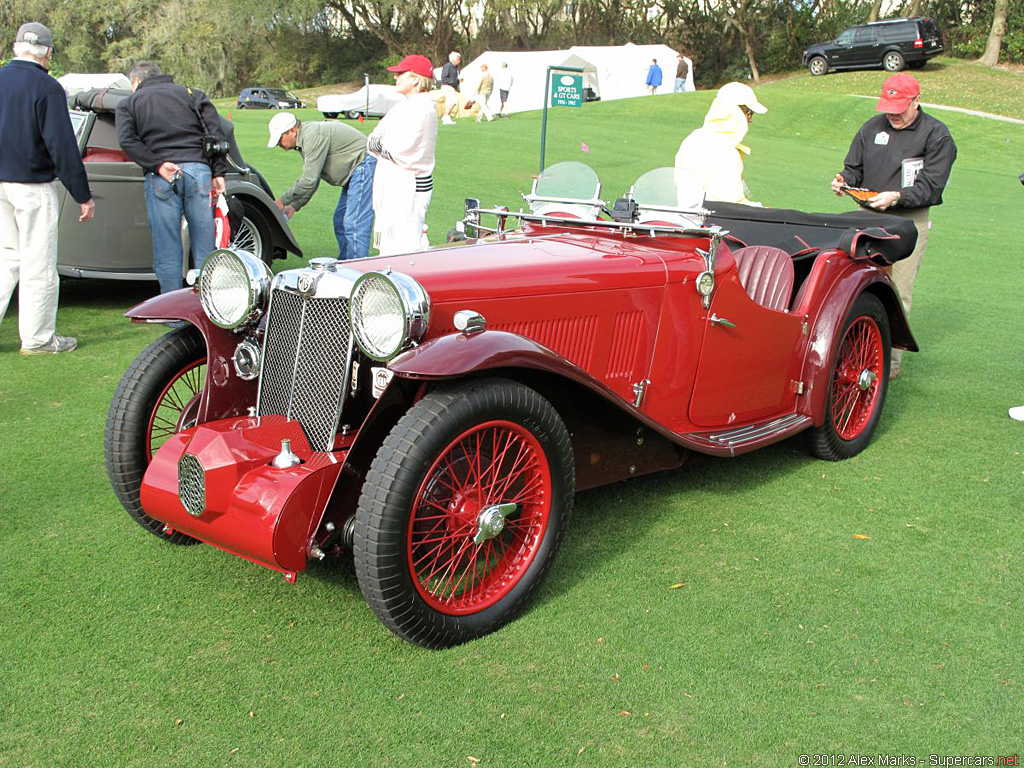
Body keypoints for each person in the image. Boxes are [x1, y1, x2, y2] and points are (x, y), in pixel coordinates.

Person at [830, 73, 957, 379]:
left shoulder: (937, 135)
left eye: (900, 106)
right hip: (866, 217)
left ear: (917, 100)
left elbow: (931, 188)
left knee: (897, 292)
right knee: (852, 283)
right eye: (888, 106)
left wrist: (896, 197)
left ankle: (888, 363)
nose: (893, 113)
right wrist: (844, 181)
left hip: (907, 221)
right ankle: (849, 350)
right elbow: (854, 168)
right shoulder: (872, 127)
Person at [0, 22, 94, 355]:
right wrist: (82, 194)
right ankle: (38, 339)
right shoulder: (48, 87)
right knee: (38, 263)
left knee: (5, 259)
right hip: (32, 184)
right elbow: (62, 145)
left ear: (15, 48)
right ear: (48, 53)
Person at [116, 61, 228, 295]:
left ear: (136, 81)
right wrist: (219, 172)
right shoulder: (192, 94)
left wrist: (156, 164)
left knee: (168, 247)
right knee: (205, 246)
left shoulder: (129, 103)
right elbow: (216, 134)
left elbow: (127, 140)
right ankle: (211, 306)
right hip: (200, 171)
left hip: (162, 175)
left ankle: (172, 312)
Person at [267, 113, 376, 260]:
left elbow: (309, 180)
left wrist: (282, 202)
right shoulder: (305, 138)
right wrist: (294, 206)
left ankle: (357, 271)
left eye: (280, 139)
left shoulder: (312, 136)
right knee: (340, 220)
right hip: (355, 172)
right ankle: (347, 264)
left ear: (292, 131)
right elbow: (313, 179)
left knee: (354, 224)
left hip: (363, 166)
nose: (279, 144)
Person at [367, 55, 438, 256]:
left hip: (409, 186)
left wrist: (382, 144)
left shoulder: (422, 109)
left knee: (404, 247)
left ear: (415, 79)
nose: (395, 77)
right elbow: (371, 140)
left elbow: (401, 150)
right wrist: (382, 143)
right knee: (391, 245)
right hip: (395, 183)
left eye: (400, 73)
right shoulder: (404, 107)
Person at [674, 81, 767, 206]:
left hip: (689, 217)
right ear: (736, 112)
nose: (750, 120)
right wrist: (761, 209)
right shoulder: (725, 150)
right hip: (712, 221)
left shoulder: (693, 138)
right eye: (749, 112)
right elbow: (732, 203)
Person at [439, 51, 462, 126]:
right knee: (453, 101)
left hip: (451, 86)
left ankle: (446, 117)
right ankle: (445, 116)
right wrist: (453, 81)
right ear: (453, 59)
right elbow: (444, 77)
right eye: (458, 59)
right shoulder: (448, 66)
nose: (459, 61)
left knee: (450, 102)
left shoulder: (455, 68)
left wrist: (458, 81)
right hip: (447, 86)